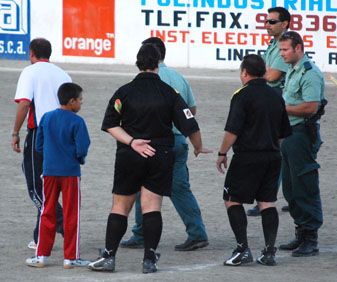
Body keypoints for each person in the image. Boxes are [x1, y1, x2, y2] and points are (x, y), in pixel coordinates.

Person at [88, 43, 211, 274]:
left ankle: (109, 256)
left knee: (120, 207)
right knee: (152, 207)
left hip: (130, 155)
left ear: (138, 63)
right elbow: (190, 124)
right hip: (160, 154)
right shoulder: (170, 93)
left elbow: (110, 125)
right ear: (157, 64)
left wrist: (133, 142)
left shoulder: (123, 92)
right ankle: (149, 260)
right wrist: (198, 147)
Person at [120, 37, 209, 251]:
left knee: (144, 186)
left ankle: (141, 234)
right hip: (178, 140)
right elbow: (191, 110)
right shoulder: (179, 78)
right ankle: (197, 233)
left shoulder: (142, 80)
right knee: (180, 189)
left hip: (155, 141)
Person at [217, 54, 291, 266]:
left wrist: (222, 153)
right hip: (273, 156)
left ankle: (242, 249)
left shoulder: (242, 95)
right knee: (267, 202)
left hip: (248, 156)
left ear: (244, 72)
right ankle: (269, 252)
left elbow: (233, 130)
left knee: (232, 198)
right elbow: (283, 132)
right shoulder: (276, 96)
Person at [12, 38, 70, 249]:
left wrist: (15, 132)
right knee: (49, 184)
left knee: (36, 187)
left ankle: (65, 225)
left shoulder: (30, 72)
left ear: (31, 53)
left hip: (40, 134)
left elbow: (25, 104)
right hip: (62, 135)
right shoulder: (63, 74)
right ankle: (39, 237)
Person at [25, 83, 90, 268]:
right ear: (72, 102)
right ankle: (70, 257)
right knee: (71, 214)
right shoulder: (77, 122)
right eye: (80, 100)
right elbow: (82, 147)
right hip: (70, 173)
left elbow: (38, 146)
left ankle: (42, 255)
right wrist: (79, 159)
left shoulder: (46, 117)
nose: (81, 103)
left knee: (47, 212)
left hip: (49, 172)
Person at [277, 31, 326, 257]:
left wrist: (280, 109)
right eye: (281, 49)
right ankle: (301, 231)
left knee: (304, 185)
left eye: (286, 49)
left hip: (301, 134)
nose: (282, 54)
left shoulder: (309, 73)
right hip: (289, 133)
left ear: (298, 48)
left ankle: (311, 237)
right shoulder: (293, 70)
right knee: (290, 186)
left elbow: (310, 107)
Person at [247, 6, 291, 217]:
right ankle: (288, 198)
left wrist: (255, 76)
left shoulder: (286, 46)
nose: (267, 25)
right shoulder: (274, 45)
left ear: (285, 24)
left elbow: (272, 76)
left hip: (280, 106)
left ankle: (268, 198)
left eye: (272, 22)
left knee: (277, 153)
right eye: (266, 21)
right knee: (281, 154)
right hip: (275, 105)